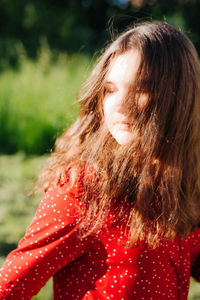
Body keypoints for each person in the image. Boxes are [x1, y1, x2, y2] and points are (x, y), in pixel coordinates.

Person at [0, 20, 200, 300]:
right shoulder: (85, 188)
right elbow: (9, 286)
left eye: (141, 89)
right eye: (110, 90)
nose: (118, 106)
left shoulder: (185, 182)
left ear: (180, 99)